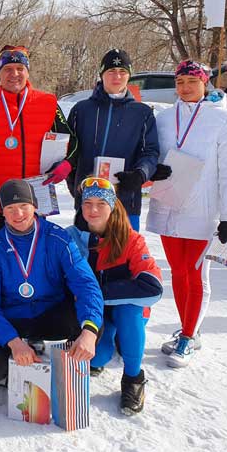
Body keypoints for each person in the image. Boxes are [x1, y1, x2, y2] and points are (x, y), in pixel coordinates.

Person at [146, 60, 227, 368]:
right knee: (177, 272)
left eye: (192, 81)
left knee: (196, 273)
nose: (185, 87)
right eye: (180, 82)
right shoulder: (163, 118)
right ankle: (187, 328)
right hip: (169, 205)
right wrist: (155, 169)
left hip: (203, 212)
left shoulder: (225, 120)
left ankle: (189, 337)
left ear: (205, 83)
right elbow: (153, 155)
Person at [0, 179, 103, 386]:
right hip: (14, 319)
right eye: (10, 208)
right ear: (2, 212)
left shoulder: (58, 238)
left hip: (51, 314)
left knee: (92, 326)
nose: (18, 214)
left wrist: (89, 333)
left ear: (34, 206)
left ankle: (69, 366)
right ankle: (16, 365)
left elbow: (86, 285)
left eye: (24, 206)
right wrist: (13, 342)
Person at [66, 177, 163, 414]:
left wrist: (95, 293)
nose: (94, 209)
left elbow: (152, 287)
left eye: (101, 203)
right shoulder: (71, 236)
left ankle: (133, 378)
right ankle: (111, 342)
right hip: (95, 314)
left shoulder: (131, 239)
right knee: (97, 358)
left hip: (125, 310)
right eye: (87, 203)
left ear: (113, 206)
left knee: (128, 311)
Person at [0, 46, 77, 240]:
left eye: (20, 68)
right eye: (8, 69)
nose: (14, 74)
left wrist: (68, 164)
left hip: (37, 200)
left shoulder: (48, 103)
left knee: (36, 262)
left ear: (27, 71)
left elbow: (73, 141)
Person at [67, 49, 161, 231]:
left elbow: (150, 151)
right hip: (89, 204)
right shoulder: (82, 110)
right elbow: (70, 152)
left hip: (125, 202)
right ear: (102, 74)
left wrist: (139, 174)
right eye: (111, 71)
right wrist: (76, 188)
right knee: (87, 256)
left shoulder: (142, 113)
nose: (117, 76)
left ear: (129, 76)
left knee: (124, 256)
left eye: (122, 72)